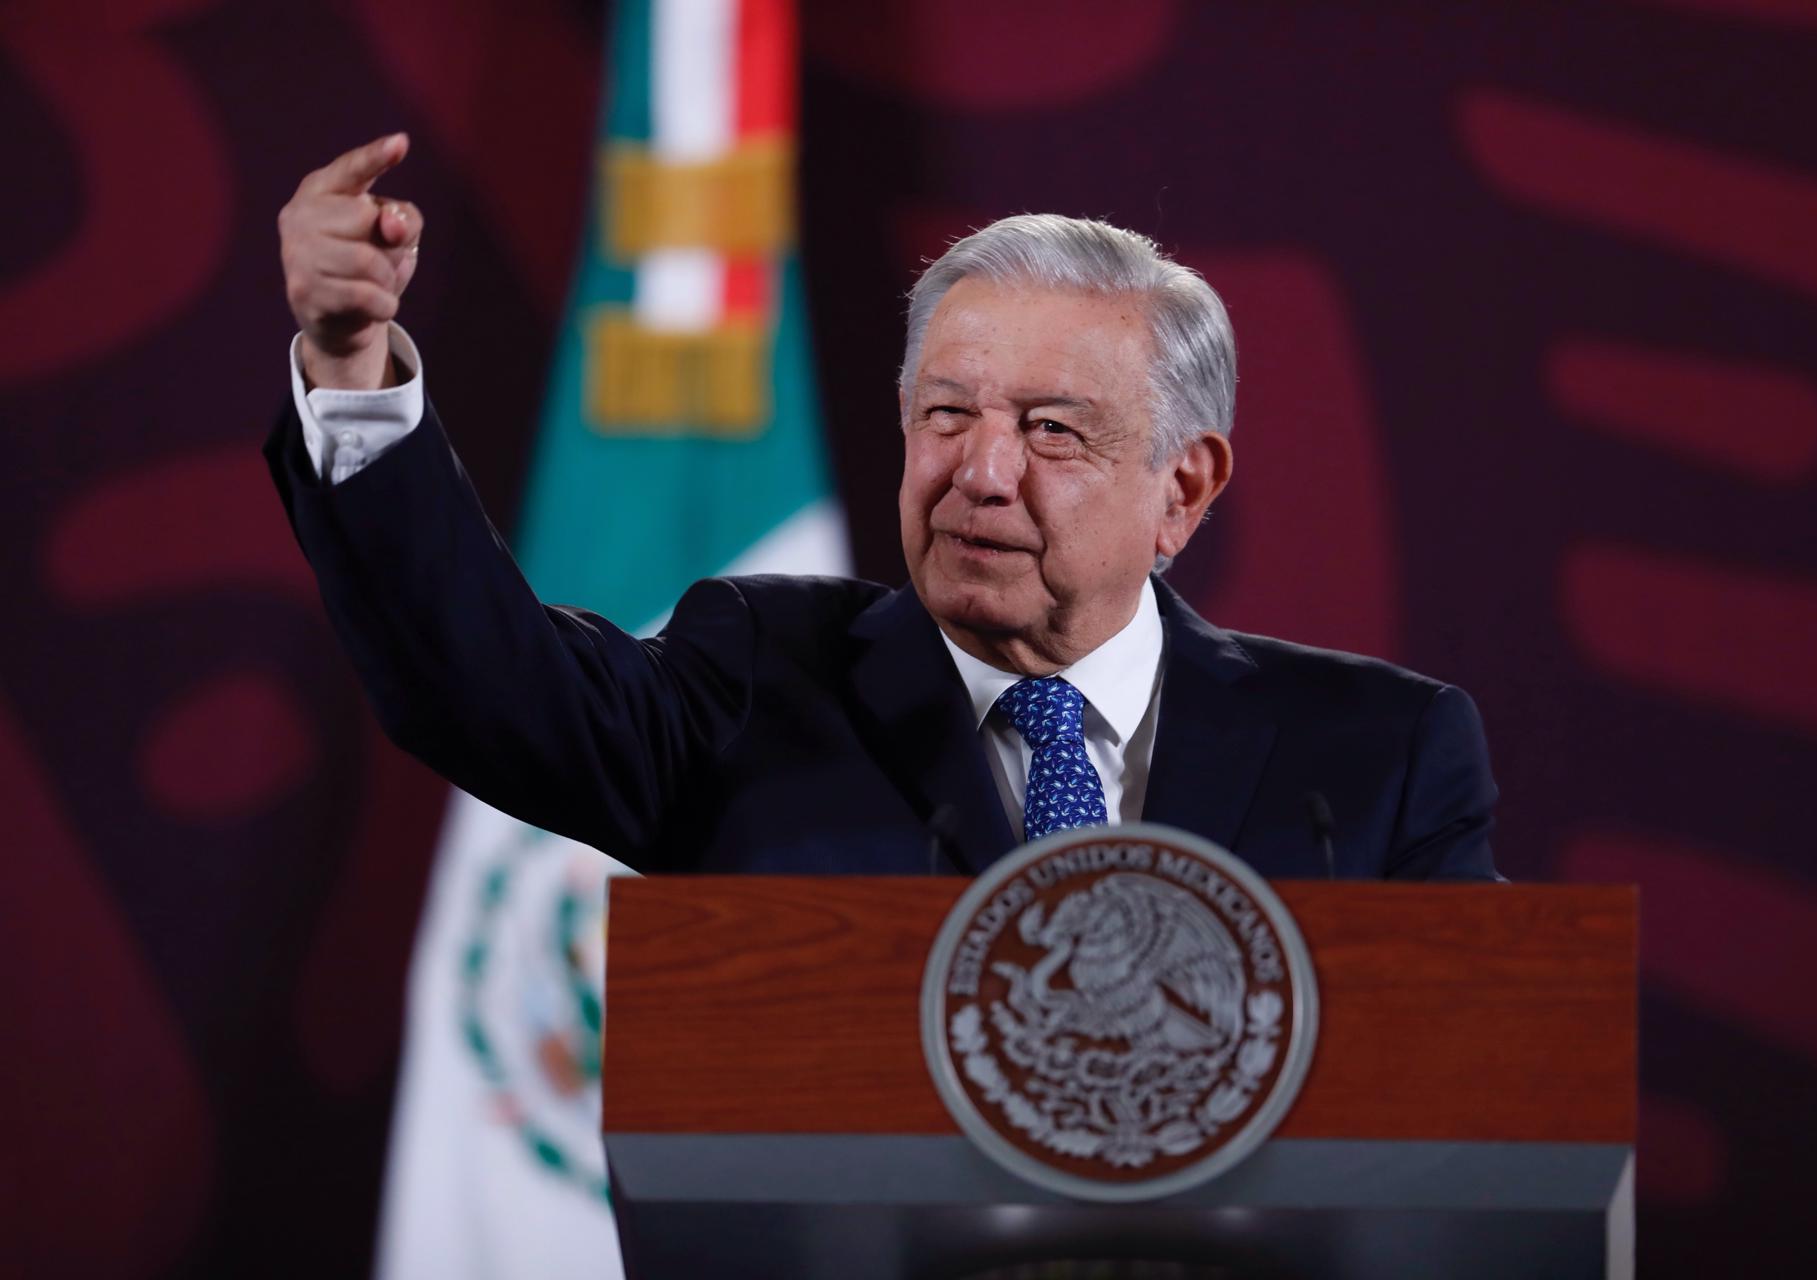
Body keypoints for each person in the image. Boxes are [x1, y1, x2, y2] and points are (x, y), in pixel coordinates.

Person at [268, 134, 1500, 879]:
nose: (982, 470)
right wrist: (352, 369)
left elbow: (1478, 1121)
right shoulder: (759, 682)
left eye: (1051, 429)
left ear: (1183, 487)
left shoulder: (1378, 759)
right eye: (947, 415)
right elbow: (483, 683)